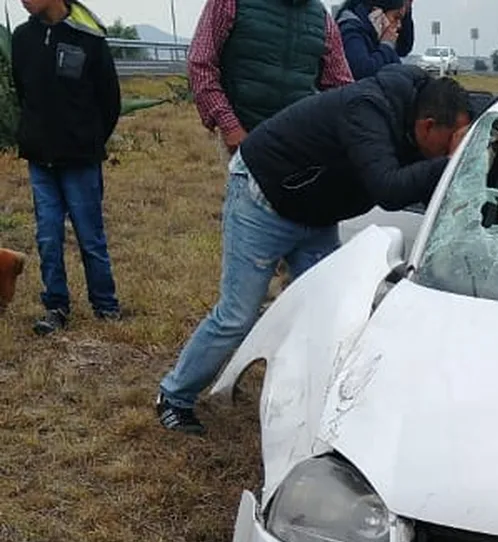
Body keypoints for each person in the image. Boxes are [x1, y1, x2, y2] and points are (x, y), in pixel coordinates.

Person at [156, 67, 473, 434]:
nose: (453, 151)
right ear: (428, 126)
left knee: (327, 313)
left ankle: (308, 401)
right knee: (237, 314)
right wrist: (451, 165)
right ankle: (174, 395)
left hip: (316, 214)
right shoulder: (368, 110)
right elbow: (389, 189)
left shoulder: (413, 118)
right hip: (264, 198)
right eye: (451, 141)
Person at [10, 0, 121, 335]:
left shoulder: (89, 39)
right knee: (47, 236)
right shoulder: (21, 38)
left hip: (80, 160)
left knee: (90, 236)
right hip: (40, 160)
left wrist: (86, 140)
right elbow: (23, 91)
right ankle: (55, 306)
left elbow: (109, 101)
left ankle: (106, 306)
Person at [187, 0, 354, 158]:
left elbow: (341, 87)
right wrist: (229, 126)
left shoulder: (322, 18)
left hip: (299, 143)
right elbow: (201, 63)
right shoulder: (231, 2)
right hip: (244, 135)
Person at [337, 0, 414, 80]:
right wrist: (386, 45)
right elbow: (363, 72)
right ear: (376, 13)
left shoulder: (375, 36)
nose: (399, 25)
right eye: (396, 17)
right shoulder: (351, 32)